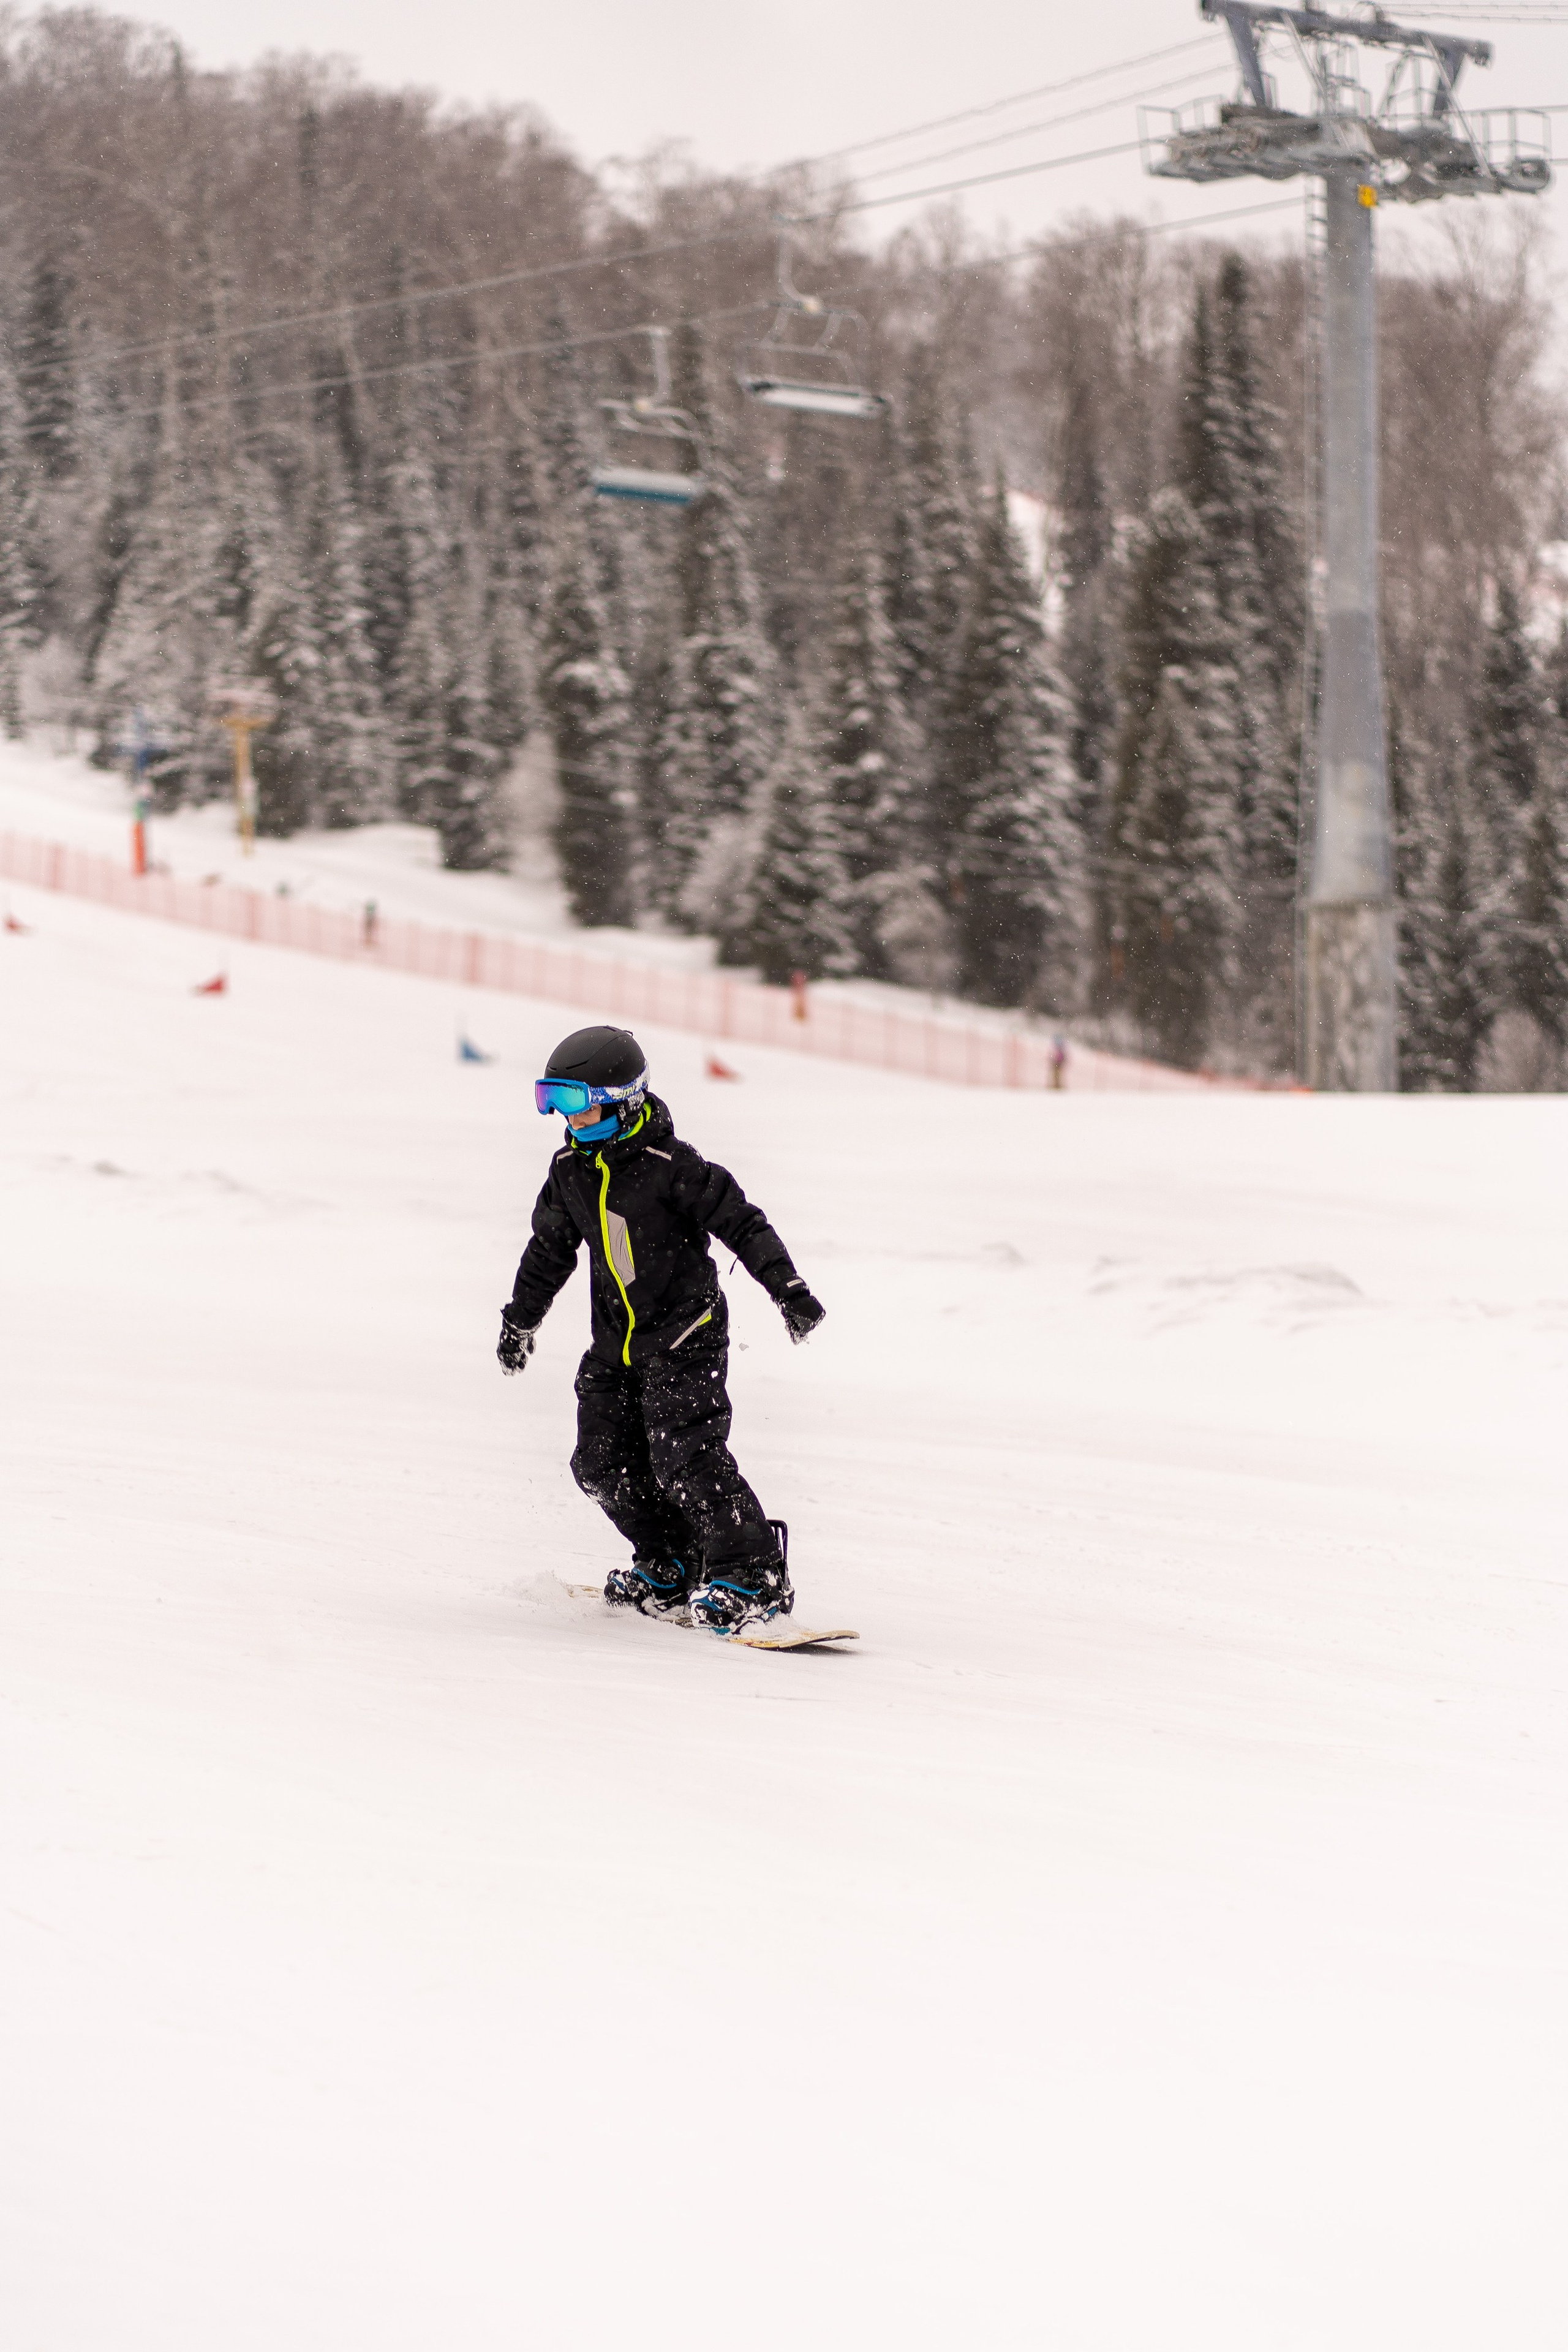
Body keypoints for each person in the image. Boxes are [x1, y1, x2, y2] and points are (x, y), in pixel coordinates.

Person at [497, 1025, 825, 1634]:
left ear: (622, 1098)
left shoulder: (671, 1167)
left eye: (573, 1100)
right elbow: (548, 1251)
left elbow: (743, 1224)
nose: (563, 1118)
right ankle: (671, 1562)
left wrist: (788, 1288)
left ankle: (753, 1572)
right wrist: (520, 1318)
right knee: (599, 1465)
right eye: (551, 1100)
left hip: (684, 1337)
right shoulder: (570, 1168)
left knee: (687, 1455)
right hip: (614, 1347)